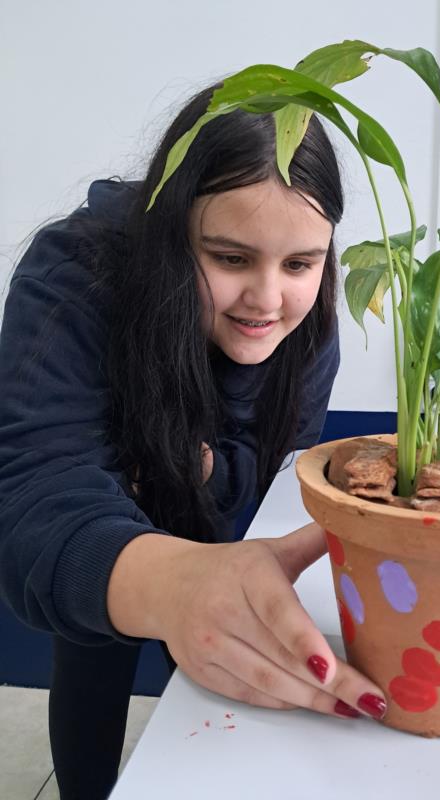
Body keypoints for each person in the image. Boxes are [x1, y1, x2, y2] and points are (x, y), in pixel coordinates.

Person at [0, 84, 387, 799]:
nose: (268, 299)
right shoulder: (75, 274)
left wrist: (183, 474)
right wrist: (170, 579)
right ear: (174, 231)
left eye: (300, 264)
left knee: (206, 682)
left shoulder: (311, 323)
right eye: (231, 259)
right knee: (91, 658)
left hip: (206, 534)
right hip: (102, 540)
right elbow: (37, 501)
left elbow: (265, 473)